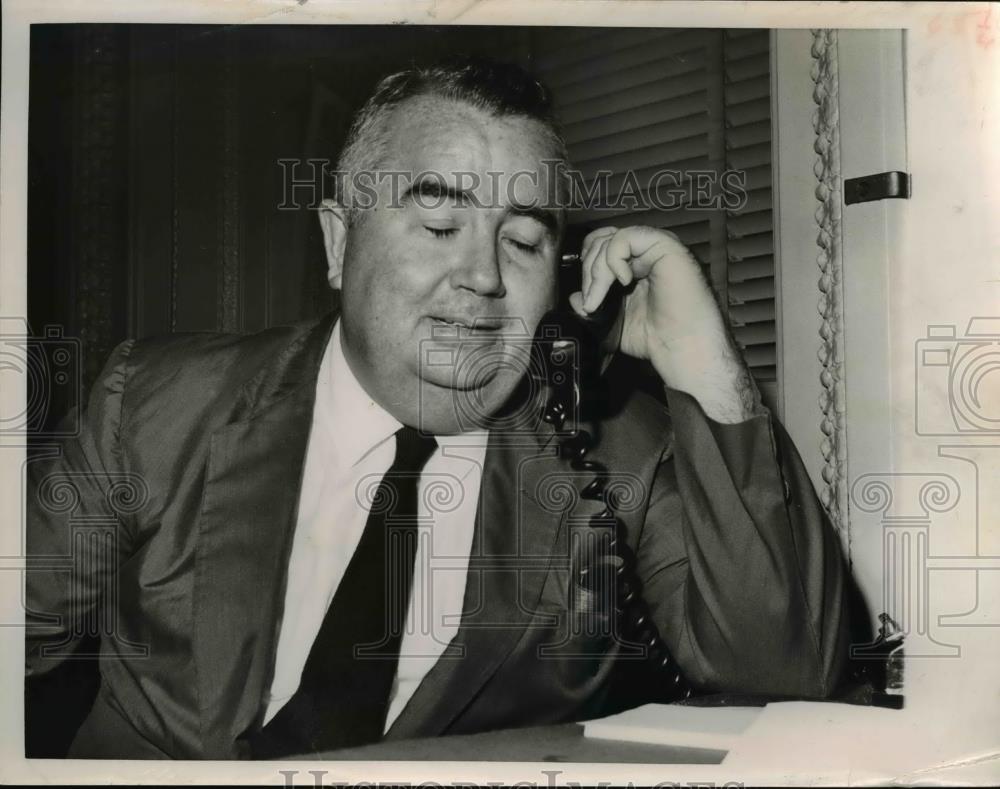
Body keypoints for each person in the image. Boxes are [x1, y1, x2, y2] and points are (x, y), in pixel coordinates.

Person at [25, 57, 852, 760]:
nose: (485, 276)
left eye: (523, 241)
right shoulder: (154, 404)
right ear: (339, 243)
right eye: (439, 222)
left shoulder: (616, 458)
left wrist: (707, 369)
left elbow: (784, 680)